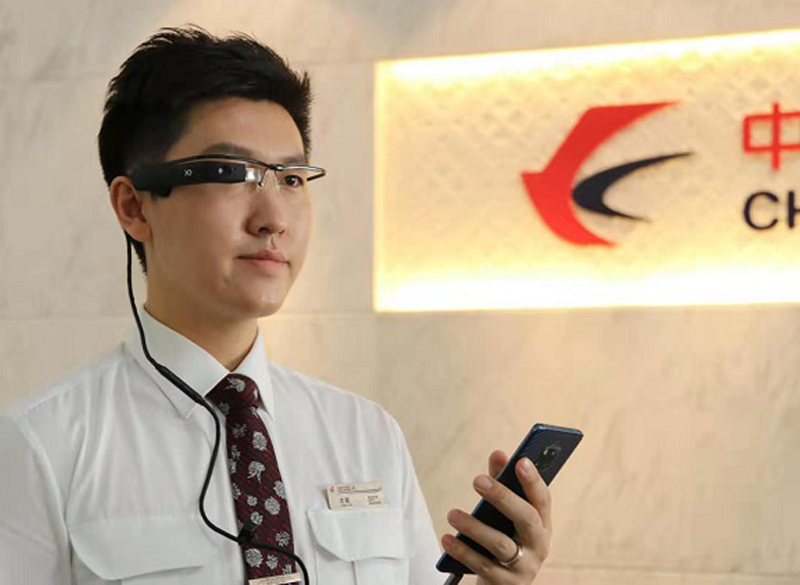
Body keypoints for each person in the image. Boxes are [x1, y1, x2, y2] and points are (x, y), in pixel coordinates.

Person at [0, 27, 552, 584]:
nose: (273, 218)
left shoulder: (365, 434)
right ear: (134, 207)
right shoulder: (42, 448)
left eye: (290, 179)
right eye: (231, 173)